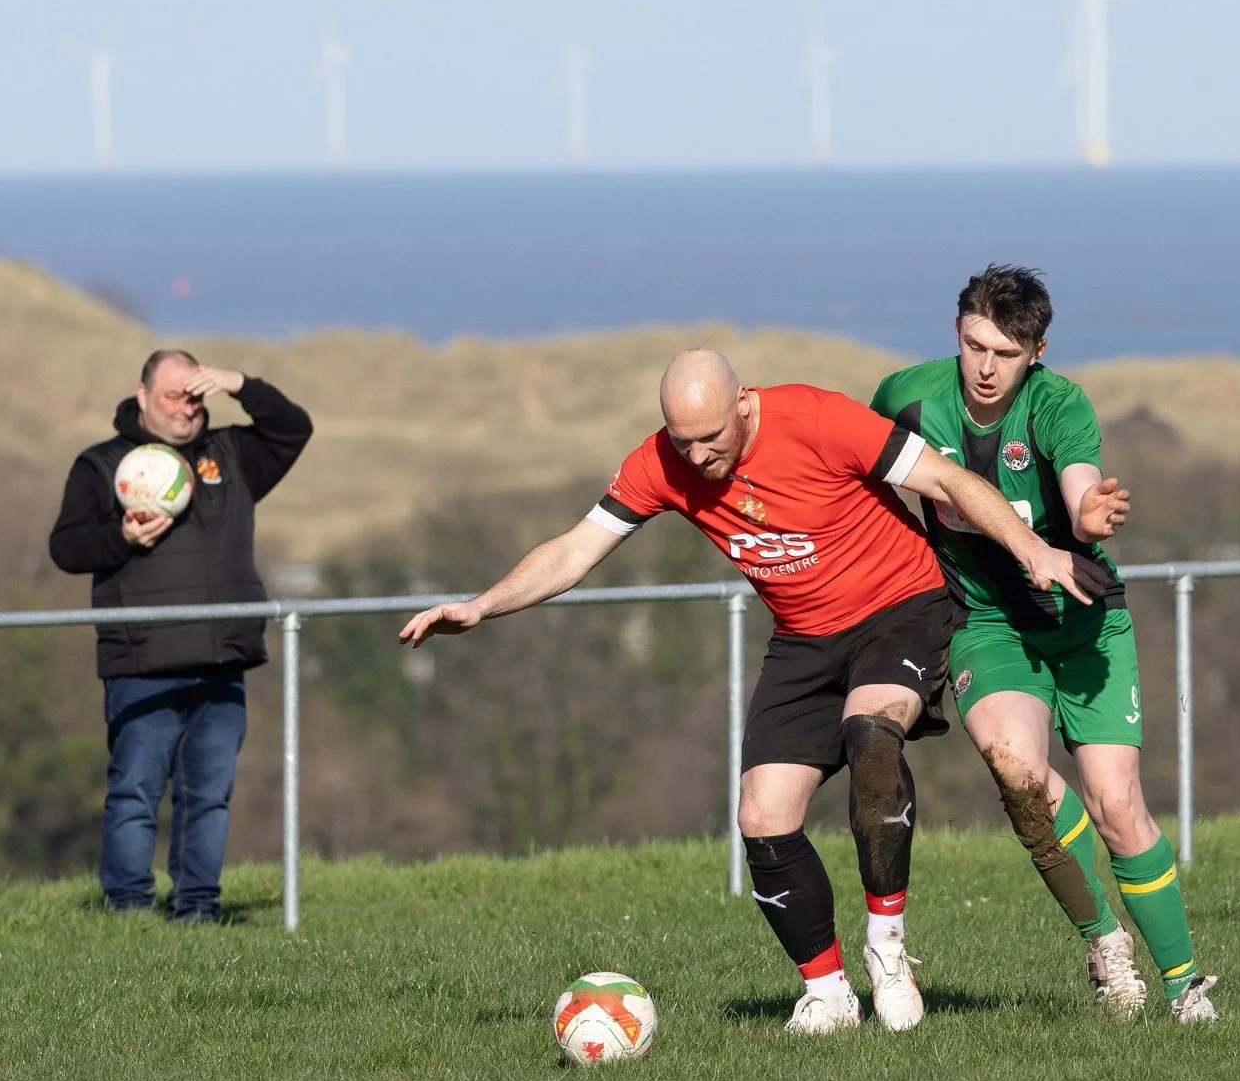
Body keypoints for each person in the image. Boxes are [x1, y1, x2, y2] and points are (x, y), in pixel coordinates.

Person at [399, 349, 1093, 1035]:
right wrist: (483, 605)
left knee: (870, 735)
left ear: (744, 403)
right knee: (762, 814)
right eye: (682, 441)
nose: (697, 457)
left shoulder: (819, 419)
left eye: (711, 439)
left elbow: (947, 481)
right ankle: (827, 996)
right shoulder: (660, 464)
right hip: (803, 638)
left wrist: (1032, 550)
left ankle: (887, 949)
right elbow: (574, 551)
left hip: (901, 609)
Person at [871, 265, 1217, 1023]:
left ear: (1038, 351)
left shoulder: (1060, 406)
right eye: (974, 346)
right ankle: (1104, 940)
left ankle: (1186, 987)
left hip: (1083, 618)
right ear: (956, 334)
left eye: (1007, 352)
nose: (987, 368)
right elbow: (862, 467)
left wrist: (1088, 516)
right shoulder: (908, 396)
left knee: (1118, 804)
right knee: (1017, 772)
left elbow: (1082, 485)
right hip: (985, 624)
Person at [48, 351, 312, 922]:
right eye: (173, 395)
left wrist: (241, 384)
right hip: (143, 662)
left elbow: (294, 428)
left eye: (196, 395)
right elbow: (66, 547)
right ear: (141, 396)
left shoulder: (232, 457)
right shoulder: (102, 466)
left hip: (223, 659)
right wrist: (119, 539)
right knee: (135, 794)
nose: (187, 407)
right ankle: (128, 910)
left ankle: (196, 908)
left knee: (209, 796)